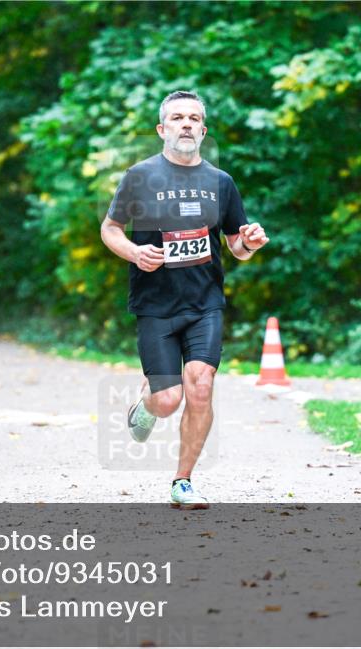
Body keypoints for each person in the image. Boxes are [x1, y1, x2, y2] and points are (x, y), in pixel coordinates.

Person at [100, 91, 270, 509]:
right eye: (177, 118)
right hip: (155, 304)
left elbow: (236, 245)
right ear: (163, 129)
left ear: (203, 130)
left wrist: (250, 242)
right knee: (168, 399)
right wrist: (136, 253)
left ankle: (183, 481)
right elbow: (110, 229)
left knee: (200, 388)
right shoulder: (140, 176)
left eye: (194, 118)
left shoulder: (220, 182)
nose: (187, 124)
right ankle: (147, 401)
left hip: (204, 303)